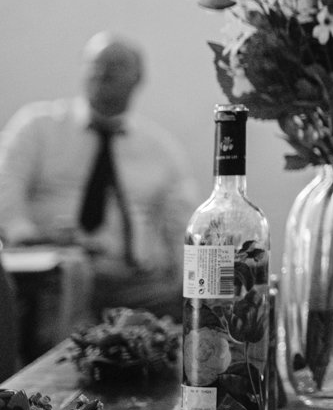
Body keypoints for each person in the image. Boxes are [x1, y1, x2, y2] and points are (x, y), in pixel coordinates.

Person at [0, 32, 195, 342]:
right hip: (54, 274)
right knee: (65, 288)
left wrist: (185, 277)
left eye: (116, 65)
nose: (103, 72)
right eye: (95, 63)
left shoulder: (160, 149)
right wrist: (30, 240)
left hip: (133, 280)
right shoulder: (37, 127)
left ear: (138, 79)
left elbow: (182, 225)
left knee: (196, 313)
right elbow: (6, 192)